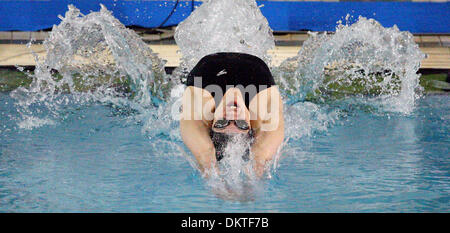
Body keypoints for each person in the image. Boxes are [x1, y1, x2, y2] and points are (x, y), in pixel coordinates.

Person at [180, 52, 284, 177]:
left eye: (222, 122)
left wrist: (218, 187)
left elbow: (205, 155)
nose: (232, 116)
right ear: (250, 124)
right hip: (255, 67)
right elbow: (260, 157)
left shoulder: (199, 108)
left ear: (212, 123)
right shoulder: (262, 110)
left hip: (209, 66)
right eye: (240, 124)